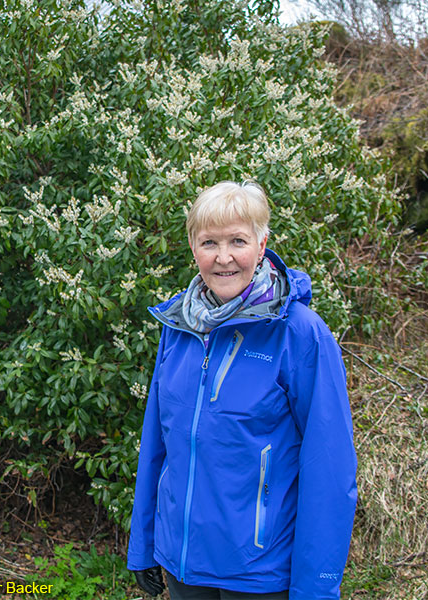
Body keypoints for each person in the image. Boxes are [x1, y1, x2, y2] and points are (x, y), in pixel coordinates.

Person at [127, 181, 357, 599]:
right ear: (193, 248)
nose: (224, 257)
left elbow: (330, 467)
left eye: (238, 240)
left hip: (259, 573)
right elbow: (159, 443)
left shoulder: (299, 333)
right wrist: (144, 544)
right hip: (183, 566)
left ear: (262, 243)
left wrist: (316, 588)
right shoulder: (180, 326)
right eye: (209, 242)